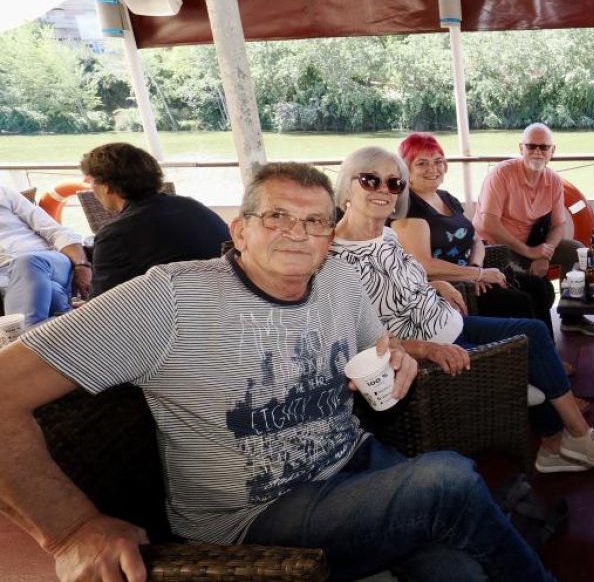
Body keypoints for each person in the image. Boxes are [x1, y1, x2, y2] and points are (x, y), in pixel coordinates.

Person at [0, 162, 556, 581]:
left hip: (356, 464)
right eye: (277, 217)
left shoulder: (339, 281)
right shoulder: (169, 298)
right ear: (240, 231)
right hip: (257, 514)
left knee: (456, 570)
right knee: (450, 479)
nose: (297, 233)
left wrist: (404, 356)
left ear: (329, 237)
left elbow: (380, 348)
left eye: (315, 221)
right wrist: (69, 529)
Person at [329, 147, 594, 475]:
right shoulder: (335, 260)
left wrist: (436, 285)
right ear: (347, 187)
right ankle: (576, 437)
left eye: (394, 183)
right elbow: (359, 340)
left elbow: (402, 281)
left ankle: (558, 443)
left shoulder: (386, 234)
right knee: (532, 361)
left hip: (450, 319)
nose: (384, 191)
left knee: (534, 332)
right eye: (370, 181)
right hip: (432, 348)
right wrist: (427, 349)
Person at [394, 133, 555, 332]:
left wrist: (476, 267)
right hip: (449, 287)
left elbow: (476, 239)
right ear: (406, 169)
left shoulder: (446, 198)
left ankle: (547, 349)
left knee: (537, 286)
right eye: (422, 163)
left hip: (472, 272)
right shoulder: (409, 207)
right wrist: (477, 275)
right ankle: (529, 356)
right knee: (518, 301)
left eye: (438, 161)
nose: (432, 169)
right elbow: (423, 265)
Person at [473, 122, 593, 335]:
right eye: (531, 146)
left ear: (552, 151)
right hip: (495, 249)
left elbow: (559, 225)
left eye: (544, 147)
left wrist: (544, 255)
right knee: (536, 289)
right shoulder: (501, 175)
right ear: (521, 148)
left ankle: (570, 317)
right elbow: (488, 224)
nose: (537, 152)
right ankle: (531, 332)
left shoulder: (554, 181)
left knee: (576, 250)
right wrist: (529, 253)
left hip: (531, 244)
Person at [80, 142, 230, 296]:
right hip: (228, 302)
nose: (92, 189)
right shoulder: (194, 208)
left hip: (177, 313)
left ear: (106, 186)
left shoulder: (114, 236)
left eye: (91, 182)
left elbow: (103, 309)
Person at [0, 185, 89, 328]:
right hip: (9, 281)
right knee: (53, 295)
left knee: (27, 262)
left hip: (47, 262)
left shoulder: (3, 192)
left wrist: (81, 264)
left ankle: (20, 342)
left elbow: (54, 230)